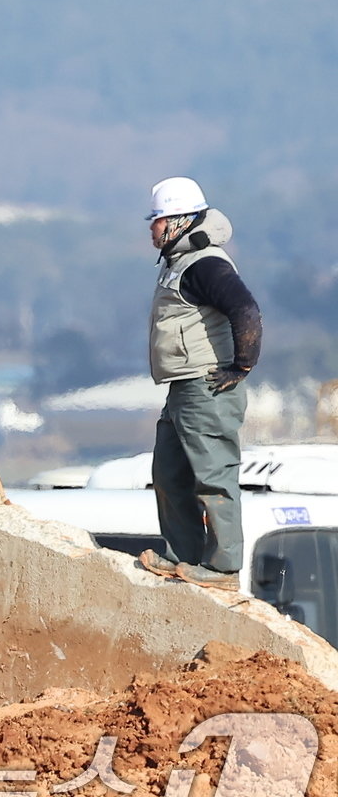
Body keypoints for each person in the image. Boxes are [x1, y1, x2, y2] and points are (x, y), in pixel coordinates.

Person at [137, 177, 261, 591]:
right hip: (182, 387)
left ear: (177, 221)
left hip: (207, 385)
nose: (151, 228)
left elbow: (245, 310)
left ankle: (223, 569)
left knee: (213, 474)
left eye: (156, 220)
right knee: (169, 474)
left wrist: (240, 367)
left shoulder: (206, 263)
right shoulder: (179, 260)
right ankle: (185, 557)